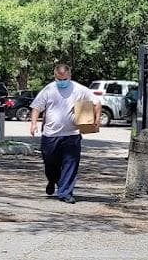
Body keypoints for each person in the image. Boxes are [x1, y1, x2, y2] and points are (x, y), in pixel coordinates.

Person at [29, 61, 101, 203]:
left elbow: (97, 102)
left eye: (64, 79)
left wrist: (97, 119)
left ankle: (65, 193)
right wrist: (33, 124)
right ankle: (53, 180)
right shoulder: (49, 90)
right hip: (50, 135)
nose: (62, 82)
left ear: (69, 76)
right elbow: (37, 107)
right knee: (50, 164)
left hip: (72, 135)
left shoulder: (79, 89)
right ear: (55, 76)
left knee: (70, 163)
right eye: (59, 79)